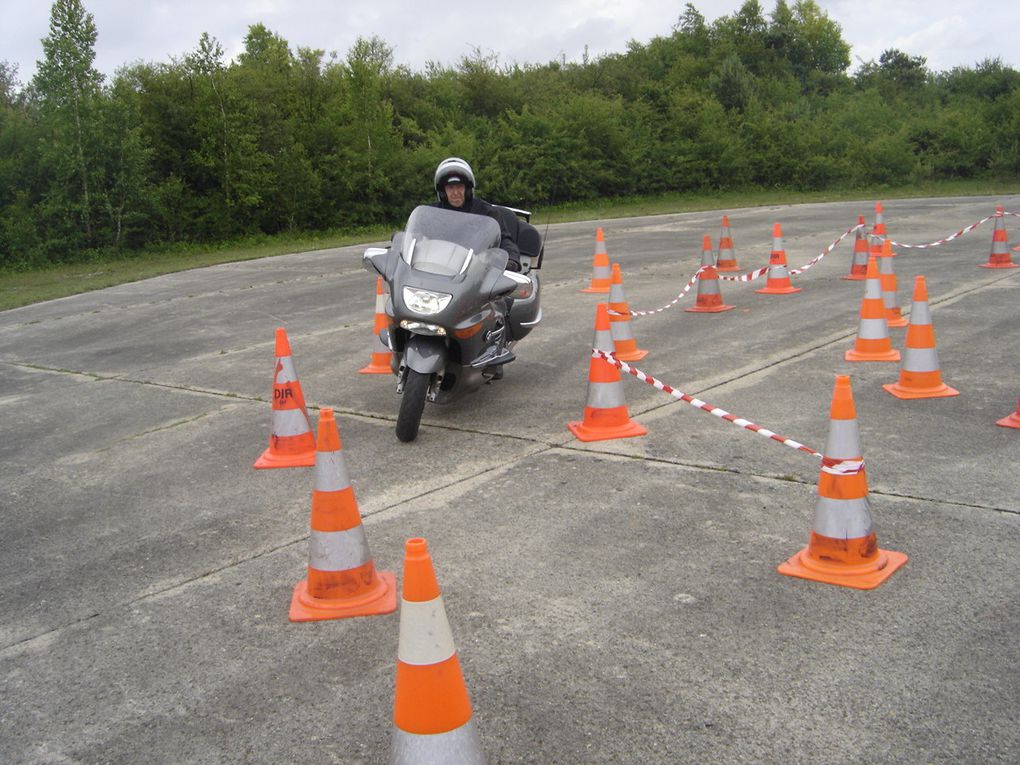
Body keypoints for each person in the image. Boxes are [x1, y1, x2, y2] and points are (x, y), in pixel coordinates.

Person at [432, 157, 522, 271]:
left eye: (459, 187)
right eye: (450, 188)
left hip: (477, 272)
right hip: (440, 271)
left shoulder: (487, 212)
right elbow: (417, 239)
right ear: (442, 192)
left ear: (468, 189)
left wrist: (511, 260)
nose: (455, 192)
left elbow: (504, 240)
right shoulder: (433, 214)